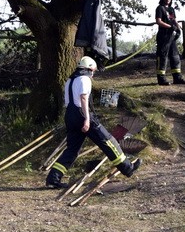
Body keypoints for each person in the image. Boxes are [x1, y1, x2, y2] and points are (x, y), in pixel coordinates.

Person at [46, 56, 142, 188]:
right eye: (93, 71)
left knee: (72, 149)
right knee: (108, 141)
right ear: (89, 69)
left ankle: (53, 179)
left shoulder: (70, 80)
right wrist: (86, 119)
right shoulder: (85, 79)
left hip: (70, 115)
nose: (93, 74)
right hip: (82, 115)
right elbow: (84, 99)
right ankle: (128, 167)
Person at [154, 0, 185, 85]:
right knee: (163, 57)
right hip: (163, 36)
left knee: (175, 56)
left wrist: (178, 28)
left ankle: (177, 78)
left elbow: (174, 20)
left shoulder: (171, 9)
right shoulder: (160, 8)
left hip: (171, 36)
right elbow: (159, 21)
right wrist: (170, 27)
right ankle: (161, 79)